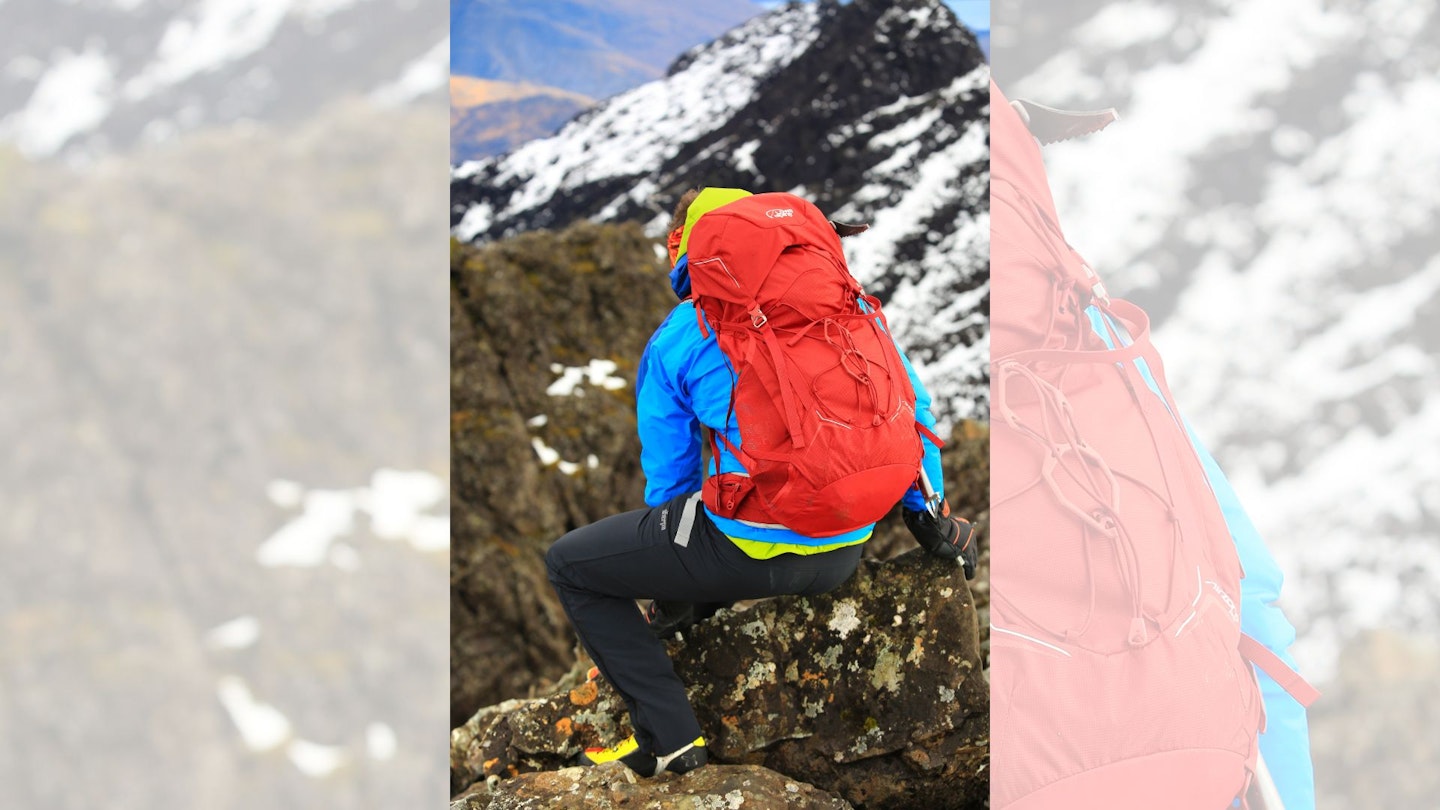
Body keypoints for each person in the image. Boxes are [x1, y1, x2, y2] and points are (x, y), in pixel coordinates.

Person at [544, 186, 976, 777]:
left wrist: (673, 588)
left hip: (744, 551)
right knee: (715, 530)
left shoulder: (681, 333)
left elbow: (670, 482)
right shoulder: (849, 311)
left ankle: (670, 738)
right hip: (847, 546)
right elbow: (911, 413)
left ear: (686, 249)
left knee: (570, 566)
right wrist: (930, 516)